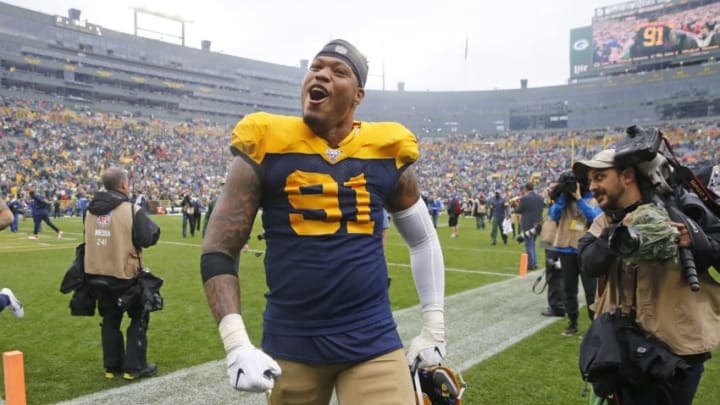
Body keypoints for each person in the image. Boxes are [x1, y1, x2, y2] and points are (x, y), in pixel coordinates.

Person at [201, 39, 446, 404]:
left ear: (357, 95)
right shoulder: (267, 143)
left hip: (372, 338)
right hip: (291, 342)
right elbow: (220, 247)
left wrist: (435, 328)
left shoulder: (385, 150)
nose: (322, 74)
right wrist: (236, 342)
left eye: (338, 71)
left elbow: (423, 240)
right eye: (316, 67)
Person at [575, 148, 720, 404]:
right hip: (622, 348)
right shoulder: (604, 222)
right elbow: (589, 263)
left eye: (600, 177)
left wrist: (696, 241)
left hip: (676, 353)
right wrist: (619, 233)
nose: (592, 186)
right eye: (590, 180)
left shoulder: (683, 211)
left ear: (627, 176)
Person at [83, 167, 161, 380]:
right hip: (124, 274)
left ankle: (112, 367)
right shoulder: (131, 209)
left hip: (95, 273)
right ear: (124, 185)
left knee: (109, 319)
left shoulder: (89, 209)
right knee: (139, 316)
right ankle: (134, 367)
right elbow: (148, 238)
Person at [548, 172, 601, 336]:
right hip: (565, 248)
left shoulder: (592, 198)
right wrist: (564, 197)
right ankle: (572, 323)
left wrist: (578, 198)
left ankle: (595, 326)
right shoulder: (563, 200)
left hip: (586, 250)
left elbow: (595, 216)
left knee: (591, 290)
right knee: (569, 289)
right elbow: (553, 215)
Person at [513, 182, 545, 270]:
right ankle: (534, 263)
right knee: (533, 244)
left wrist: (515, 207)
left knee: (528, 245)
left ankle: (531, 264)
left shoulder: (525, 198)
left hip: (528, 224)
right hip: (538, 224)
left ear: (526, 189)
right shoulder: (540, 198)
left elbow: (519, 210)